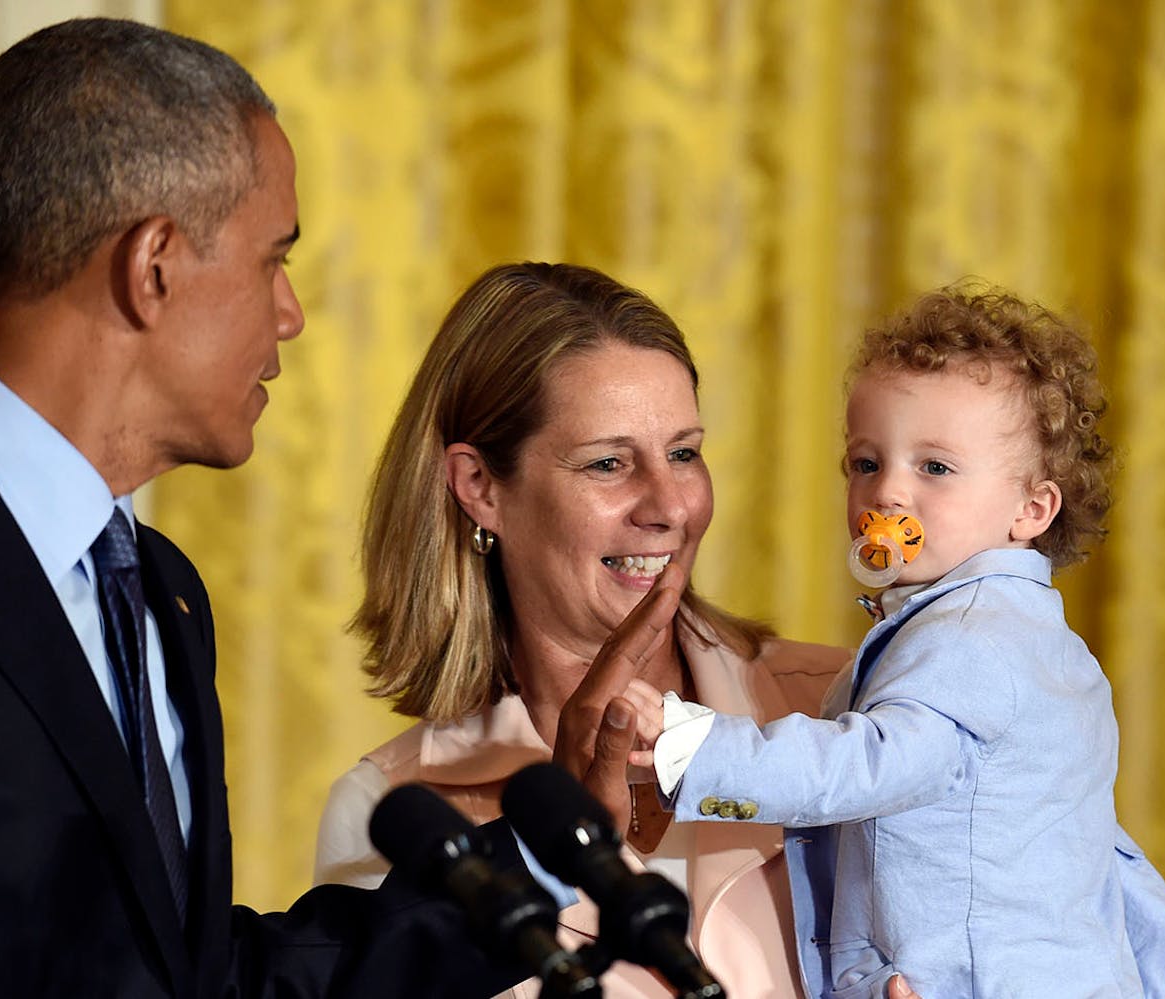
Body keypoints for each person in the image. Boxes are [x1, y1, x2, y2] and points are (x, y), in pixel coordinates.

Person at [0, 19, 661, 998]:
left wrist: (536, 868)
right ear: (155, 266)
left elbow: (201, 980)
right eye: (274, 258)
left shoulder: (158, 591)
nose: (291, 314)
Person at [313, 261, 929, 999]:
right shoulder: (394, 813)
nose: (670, 506)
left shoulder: (853, 713)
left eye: (683, 453)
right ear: (480, 488)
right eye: (609, 463)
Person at [631, 287, 1165, 996]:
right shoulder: (1005, 627)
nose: (888, 494)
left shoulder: (973, 636)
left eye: (934, 468)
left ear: (1032, 508)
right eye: (867, 462)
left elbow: (867, 767)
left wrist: (695, 746)